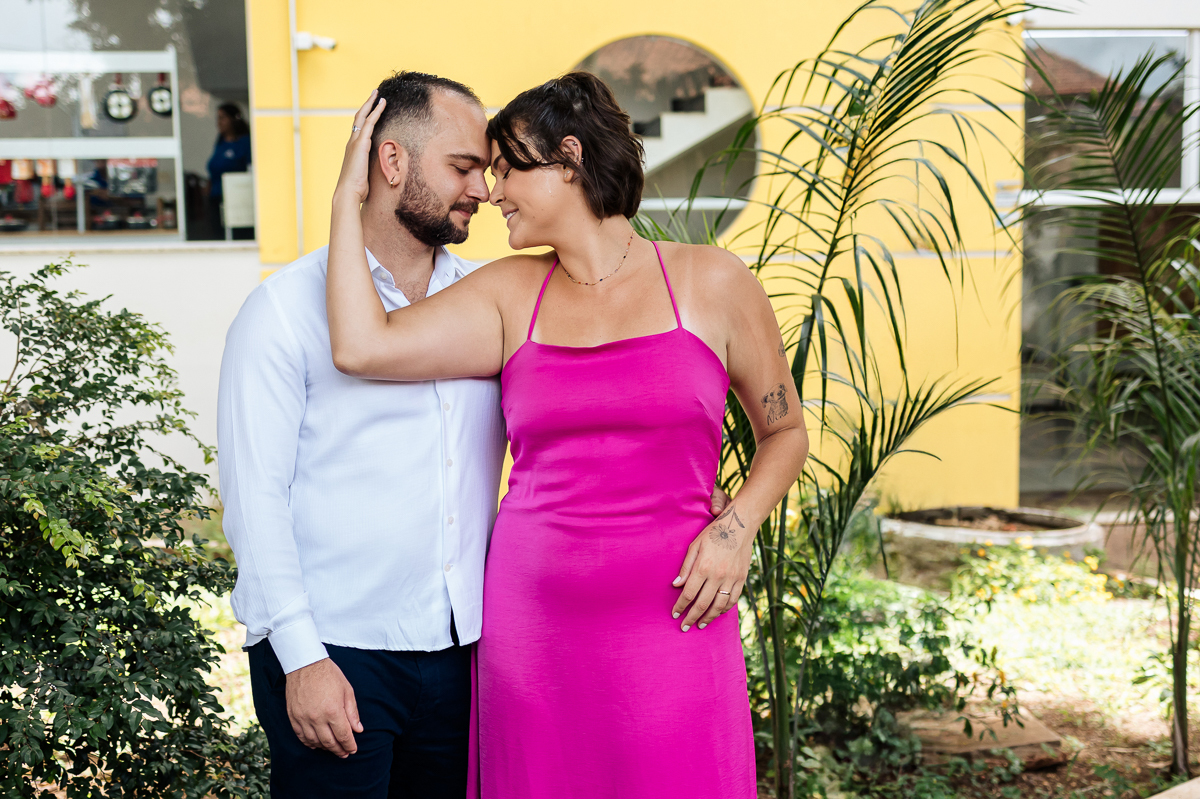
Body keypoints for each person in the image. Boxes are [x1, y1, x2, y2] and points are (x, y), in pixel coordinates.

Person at [218, 71, 730, 798]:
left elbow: (594, 418)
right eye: (464, 167)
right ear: (391, 162)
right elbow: (254, 501)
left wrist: (713, 511)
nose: (484, 191)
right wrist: (300, 656)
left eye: (492, 169)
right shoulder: (281, 311)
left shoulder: (494, 297)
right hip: (337, 652)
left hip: (466, 653)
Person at [325, 73, 809, 798]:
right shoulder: (508, 293)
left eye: (507, 169)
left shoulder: (712, 282)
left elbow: (786, 430)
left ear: (570, 158)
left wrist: (735, 530)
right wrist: (349, 198)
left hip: (677, 613)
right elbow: (361, 346)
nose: (492, 193)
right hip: (534, 629)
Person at [207, 102, 251, 238]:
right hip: (216, 198)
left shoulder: (244, 142)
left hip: (237, 200)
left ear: (233, 119)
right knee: (219, 234)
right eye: (218, 118)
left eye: (223, 118)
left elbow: (250, 170)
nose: (219, 122)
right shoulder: (221, 142)